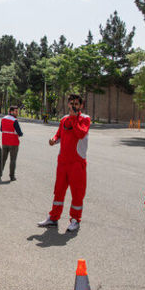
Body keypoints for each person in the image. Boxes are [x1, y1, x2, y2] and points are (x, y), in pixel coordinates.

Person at [37, 94, 91, 232]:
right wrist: (53, 139)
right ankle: (53, 218)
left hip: (77, 163)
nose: (73, 106)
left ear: (81, 106)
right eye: (71, 103)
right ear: (68, 104)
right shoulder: (63, 119)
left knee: (77, 193)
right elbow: (59, 134)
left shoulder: (85, 119)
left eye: (76, 104)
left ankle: (75, 220)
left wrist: (74, 118)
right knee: (58, 191)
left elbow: (80, 134)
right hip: (63, 162)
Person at [0, 106, 23, 181]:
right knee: (13, 160)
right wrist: (20, 134)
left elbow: (1, 129)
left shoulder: (3, 119)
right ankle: (12, 176)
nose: (17, 113)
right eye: (16, 111)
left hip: (4, 142)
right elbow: (20, 133)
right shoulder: (14, 120)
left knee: (3, 159)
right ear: (11, 111)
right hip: (14, 143)